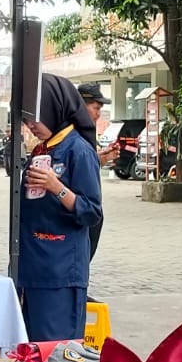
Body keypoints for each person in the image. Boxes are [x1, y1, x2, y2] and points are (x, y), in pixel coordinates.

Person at [18, 74, 103, 340]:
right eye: (26, 118)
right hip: (33, 268)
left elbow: (92, 212)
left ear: (54, 108)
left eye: (35, 117)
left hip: (61, 271)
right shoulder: (42, 149)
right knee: (34, 352)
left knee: (57, 352)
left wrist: (58, 188)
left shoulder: (78, 150)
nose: (30, 125)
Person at [76, 81, 111, 258]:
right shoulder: (73, 134)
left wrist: (99, 159)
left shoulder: (87, 131)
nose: (98, 114)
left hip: (91, 210)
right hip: (80, 210)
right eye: (96, 108)